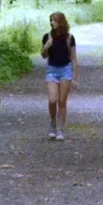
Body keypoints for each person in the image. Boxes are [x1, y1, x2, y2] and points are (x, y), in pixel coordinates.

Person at [41, 12, 77, 141]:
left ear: (61, 22)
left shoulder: (70, 38)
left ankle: (60, 129)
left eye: (55, 20)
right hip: (52, 70)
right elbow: (43, 56)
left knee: (62, 102)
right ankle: (52, 124)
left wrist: (74, 76)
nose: (52, 23)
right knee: (52, 100)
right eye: (51, 20)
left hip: (66, 71)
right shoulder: (47, 36)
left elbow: (73, 58)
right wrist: (46, 46)